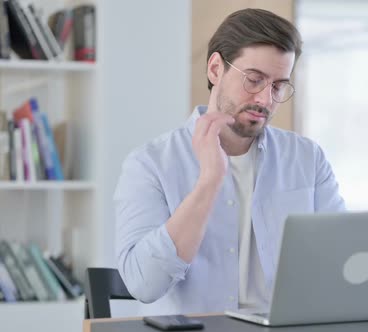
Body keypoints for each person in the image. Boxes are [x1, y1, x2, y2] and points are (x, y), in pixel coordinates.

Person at [114, 8, 345, 315]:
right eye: (254, 79)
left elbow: (343, 261)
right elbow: (144, 285)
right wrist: (209, 180)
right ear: (215, 69)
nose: (265, 99)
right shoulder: (149, 164)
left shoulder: (307, 159)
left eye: (278, 86)